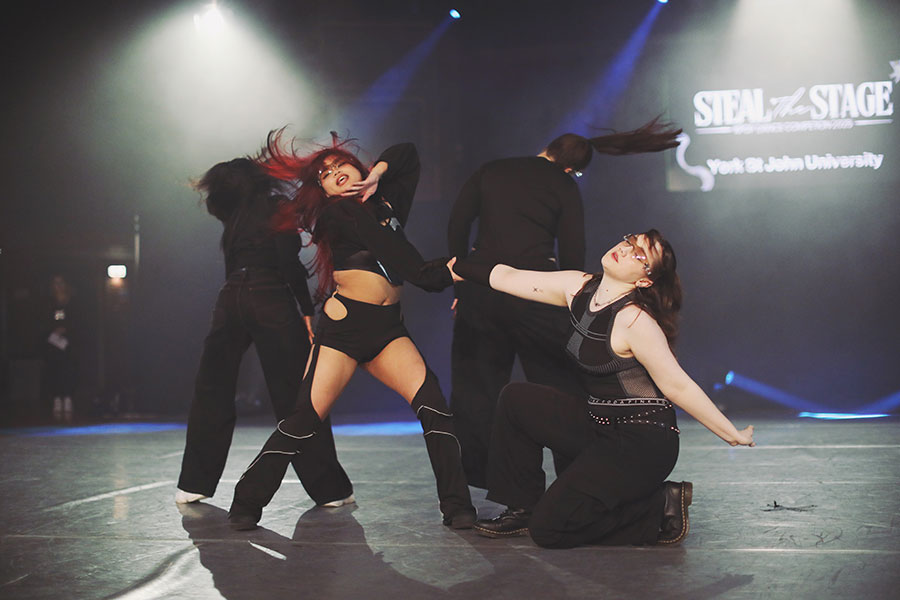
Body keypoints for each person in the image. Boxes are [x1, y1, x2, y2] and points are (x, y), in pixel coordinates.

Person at [226, 131, 475, 531]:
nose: (335, 173)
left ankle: (457, 505)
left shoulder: (384, 204)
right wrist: (434, 273)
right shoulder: (337, 214)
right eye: (325, 174)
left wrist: (378, 173)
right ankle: (246, 501)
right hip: (344, 332)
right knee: (303, 420)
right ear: (322, 190)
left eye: (340, 164)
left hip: (388, 330)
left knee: (434, 409)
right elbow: (395, 254)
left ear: (358, 168)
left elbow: (407, 152)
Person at [449, 230, 755, 548]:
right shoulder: (579, 287)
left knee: (549, 530)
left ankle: (658, 506)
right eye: (630, 241)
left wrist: (731, 434)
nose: (625, 249)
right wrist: (456, 268)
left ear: (644, 281)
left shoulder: (634, 321)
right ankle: (522, 508)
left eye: (639, 254)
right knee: (517, 400)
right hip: (600, 423)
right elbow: (509, 277)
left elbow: (678, 386)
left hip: (642, 442)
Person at [447, 119, 682, 488]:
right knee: (558, 390)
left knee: (475, 391)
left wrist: (460, 287)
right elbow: (573, 248)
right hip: (537, 294)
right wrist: (576, 302)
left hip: (482, 287)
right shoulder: (564, 185)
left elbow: (457, 223)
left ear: (547, 149)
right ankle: (574, 478)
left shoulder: (492, 169)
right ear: (572, 168)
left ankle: (486, 483)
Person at [175, 157, 354, 510]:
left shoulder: (234, 217)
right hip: (270, 296)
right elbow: (288, 263)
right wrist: (305, 309)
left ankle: (193, 485)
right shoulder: (276, 208)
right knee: (297, 394)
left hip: (231, 297)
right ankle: (330, 489)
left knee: (212, 390)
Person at [45, 275, 77, 423]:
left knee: (68, 371)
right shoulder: (50, 303)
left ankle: (68, 398)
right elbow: (44, 321)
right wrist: (54, 330)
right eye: (55, 283)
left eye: (60, 283)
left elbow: (77, 321)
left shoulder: (71, 303)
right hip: (53, 344)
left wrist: (66, 330)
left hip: (68, 344)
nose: (58, 286)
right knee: (55, 371)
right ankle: (57, 399)